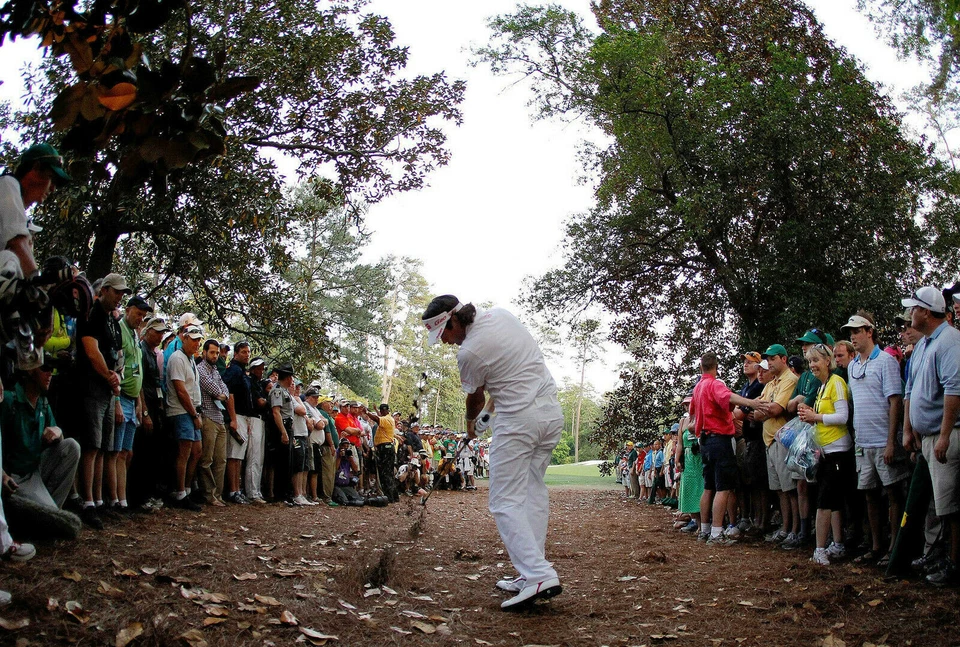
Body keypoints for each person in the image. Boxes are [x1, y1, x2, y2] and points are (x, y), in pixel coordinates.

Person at [422, 294, 563, 611]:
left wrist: (472, 421)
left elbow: (474, 398)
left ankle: (538, 574)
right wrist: (486, 417)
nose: (444, 342)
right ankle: (529, 573)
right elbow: (509, 375)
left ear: (454, 321)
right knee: (531, 493)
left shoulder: (469, 351)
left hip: (519, 424)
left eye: (444, 333)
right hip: (550, 414)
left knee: (504, 500)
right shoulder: (501, 316)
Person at [901, 286, 960, 584]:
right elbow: (910, 389)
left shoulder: (950, 341)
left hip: (943, 435)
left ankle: (954, 563)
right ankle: (936, 553)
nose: (910, 313)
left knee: (951, 505)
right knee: (936, 503)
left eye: (914, 308)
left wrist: (945, 435)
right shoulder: (924, 344)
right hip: (925, 437)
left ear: (926, 312)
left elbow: (954, 390)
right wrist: (909, 429)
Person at [843, 313, 909, 566]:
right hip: (863, 441)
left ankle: (895, 547)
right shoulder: (852, 366)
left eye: (857, 331)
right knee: (869, 494)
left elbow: (895, 402)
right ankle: (876, 545)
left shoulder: (886, 362)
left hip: (883, 440)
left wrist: (892, 441)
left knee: (893, 493)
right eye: (851, 332)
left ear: (869, 331)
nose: (853, 336)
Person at [688, 351, 759, 546]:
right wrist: (751, 403)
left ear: (701, 367)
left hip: (705, 440)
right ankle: (717, 533)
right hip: (720, 439)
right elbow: (728, 398)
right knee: (724, 487)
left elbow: (693, 416)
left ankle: (705, 530)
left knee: (709, 487)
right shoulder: (714, 384)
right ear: (716, 367)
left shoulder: (698, 388)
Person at [76, 273, 128, 530]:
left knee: (104, 447)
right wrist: (108, 375)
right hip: (92, 387)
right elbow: (90, 348)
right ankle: (86, 502)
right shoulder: (92, 314)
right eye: (116, 292)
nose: (120, 296)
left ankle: (98, 501)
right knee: (91, 445)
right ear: (104, 290)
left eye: (121, 293)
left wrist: (116, 376)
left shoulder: (112, 321)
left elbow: (118, 354)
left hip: (109, 390)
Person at [798, 344, 855, 566]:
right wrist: (810, 417)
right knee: (833, 501)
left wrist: (816, 417)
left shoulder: (837, 384)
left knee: (824, 501)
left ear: (828, 361)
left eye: (816, 361)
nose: (812, 365)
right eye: (810, 361)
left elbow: (842, 416)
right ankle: (838, 544)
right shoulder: (823, 386)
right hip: (826, 451)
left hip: (838, 451)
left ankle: (820, 549)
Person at [111, 294, 151, 513]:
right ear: (127, 310)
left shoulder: (136, 336)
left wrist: (139, 404)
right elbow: (117, 367)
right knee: (116, 452)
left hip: (132, 399)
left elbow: (137, 371)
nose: (140, 319)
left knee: (127, 452)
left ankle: (123, 498)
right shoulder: (119, 330)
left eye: (143, 316)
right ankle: (115, 500)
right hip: (119, 396)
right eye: (138, 314)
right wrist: (116, 399)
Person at [165, 325, 204, 511]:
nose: (197, 343)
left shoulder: (191, 360)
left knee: (197, 451)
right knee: (184, 452)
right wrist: (194, 414)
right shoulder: (177, 358)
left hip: (192, 411)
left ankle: (186, 489)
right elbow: (181, 391)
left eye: (199, 340)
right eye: (193, 339)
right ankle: (179, 492)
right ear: (184, 338)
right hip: (181, 411)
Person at [197, 339, 230, 507]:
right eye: (212, 352)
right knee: (207, 459)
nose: (215, 355)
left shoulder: (216, 370)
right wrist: (221, 394)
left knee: (221, 460)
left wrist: (222, 394)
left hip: (219, 417)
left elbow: (225, 391)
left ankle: (218, 494)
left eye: (217, 353)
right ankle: (208, 495)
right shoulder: (200, 369)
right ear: (204, 352)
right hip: (207, 416)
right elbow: (216, 391)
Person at [223, 342, 255, 505]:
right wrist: (233, 418)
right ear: (235, 353)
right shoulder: (234, 370)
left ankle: (237, 489)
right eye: (243, 352)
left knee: (239, 455)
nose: (246, 355)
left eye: (248, 352)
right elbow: (229, 393)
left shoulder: (242, 371)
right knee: (234, 455)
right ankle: (232, 490)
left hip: (244, 416)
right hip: (236, 415)